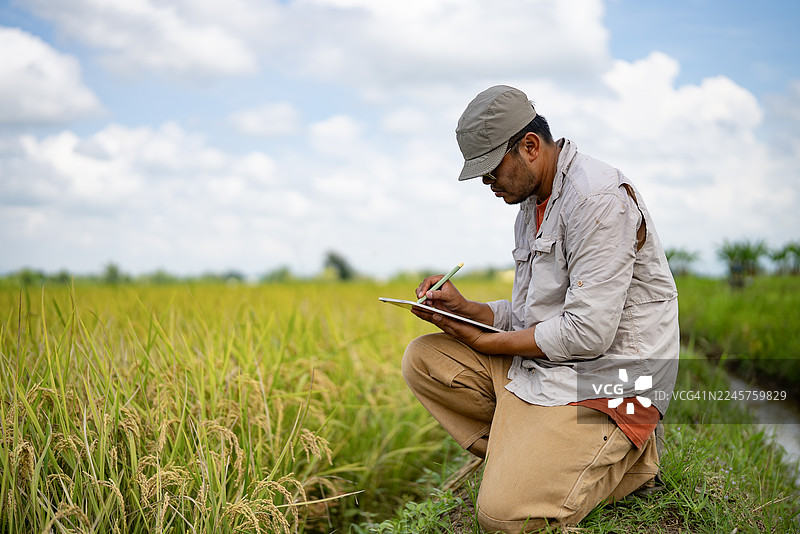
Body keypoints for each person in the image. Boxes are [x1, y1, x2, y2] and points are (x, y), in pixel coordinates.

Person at [401, 85, 679, 533]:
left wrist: (485, 341)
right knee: (425, 358)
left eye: (491, 171)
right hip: (553, 371)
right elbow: (534, 316)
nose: (488, 185)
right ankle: (535, 455)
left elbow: (587, 333)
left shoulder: (597, 199)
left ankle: (631, 458)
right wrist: (467, 310)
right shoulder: (530, 205)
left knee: (502, 517)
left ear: (529, 146)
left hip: (611, 384)